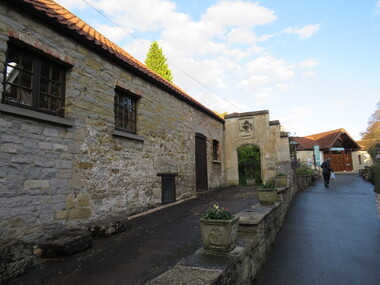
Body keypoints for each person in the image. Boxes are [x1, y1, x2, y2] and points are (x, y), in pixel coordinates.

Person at [368, 154, 380, 220]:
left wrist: (374, 183)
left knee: (379, 204)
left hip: (378, 188)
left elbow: (369, 177)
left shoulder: (373, 166)